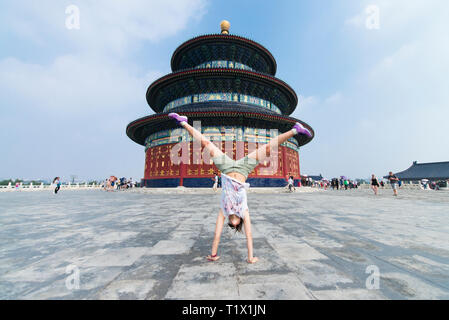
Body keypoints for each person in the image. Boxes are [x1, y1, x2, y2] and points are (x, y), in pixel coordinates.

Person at [168, 112, 312, 264]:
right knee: (268, 147)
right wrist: (250, 257)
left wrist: (213, 254)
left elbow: (217, 234)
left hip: (226, 168)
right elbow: (249, 235)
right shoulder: (244, 211)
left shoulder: (224, 211)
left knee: (207, 144)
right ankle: (295, 130)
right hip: (244, 168)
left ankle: (183, 122)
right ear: (240, 221)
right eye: (237, 221)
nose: (234, 219)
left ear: (229, 221)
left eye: (232, 221)